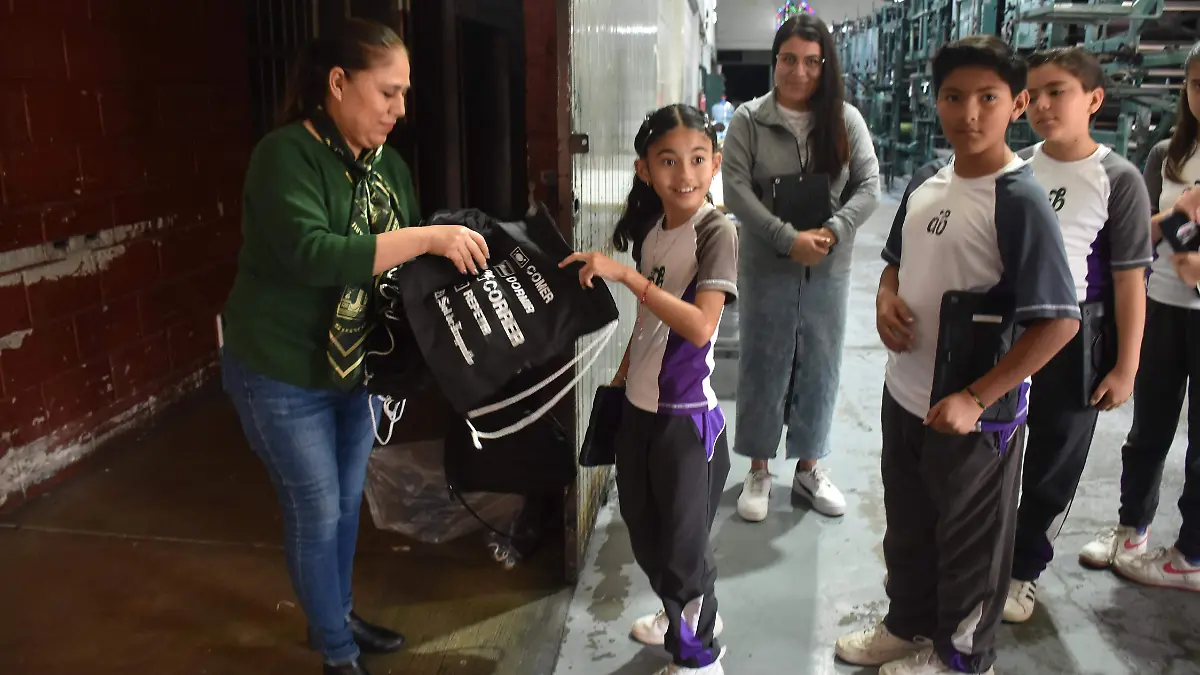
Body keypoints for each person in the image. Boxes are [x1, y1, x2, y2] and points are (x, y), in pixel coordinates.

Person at [219, 19, 489, 675]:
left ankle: (333, 616)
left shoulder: (388, 168)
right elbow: (315, 255)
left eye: (404, 95)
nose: (399, 110)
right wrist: (426, 238)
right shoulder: (284, 156)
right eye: (387, 93)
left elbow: (394, 270)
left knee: (344, 504)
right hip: (281, 371)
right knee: (314, 508)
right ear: (338, 84)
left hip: (353, 368)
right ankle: (337, 653)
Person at [834, 36, 1080, 675]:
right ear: (935, 99)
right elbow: (895, 264)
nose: (968, 113)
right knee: (909, 529)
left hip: (976, 419)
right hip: (905, 397)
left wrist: (978, 396)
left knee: (972, 546)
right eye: (953, 97)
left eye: (987, 98)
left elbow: (1058, 323)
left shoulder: (1018, 201)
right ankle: (909, 625)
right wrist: (886, 298)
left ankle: (962, 658)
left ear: (1016, 104)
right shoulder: (924, 181)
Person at [559, 104, 736, 675]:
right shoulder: (655, 232)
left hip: (685, 419)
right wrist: (622, 375)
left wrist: (626, 277)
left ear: (716, 165)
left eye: (697, 159)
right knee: (646, 533)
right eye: (667, 161)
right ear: (644, 169)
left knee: (684, 551)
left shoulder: (716, 230)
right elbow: (650, 325)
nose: (683, 173)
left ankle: (700, 657)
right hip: (639, 410)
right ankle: (677, 612)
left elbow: (699, 325)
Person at [1001, 46, 1153, 623]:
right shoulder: (1017, 168)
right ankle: (983, 555)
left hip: (1078, 338)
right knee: (994, 451)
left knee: (1052, 461)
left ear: (1092, 99)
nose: (1040, 104)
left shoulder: (1119, 179)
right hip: (1014, 331)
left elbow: (1129, 280)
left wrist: (1125, 365)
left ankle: (1023, 570)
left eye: (1055, 91)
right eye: (1032, 93)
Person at [722, 13, 880, 522]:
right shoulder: (749, 120)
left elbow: (870, 186)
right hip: (767, 267)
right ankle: (759, 469)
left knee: (820, 364)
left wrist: (831, 233)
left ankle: (810, 467)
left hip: (828, 270)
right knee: (764, 363)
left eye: (812, 62)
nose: (800, 71)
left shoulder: (845, 121)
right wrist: (786, 239)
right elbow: (736, 190)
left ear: (825, 66)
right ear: (775, 62)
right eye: (789, 59)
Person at [1076, 41, 1200, 592]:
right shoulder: (1168, 154)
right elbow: (1139, 231)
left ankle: (1191, 554)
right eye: (1196, 85)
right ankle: (1132, 528)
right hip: (1164, 308)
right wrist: (1176, 214)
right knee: (1147, 429)